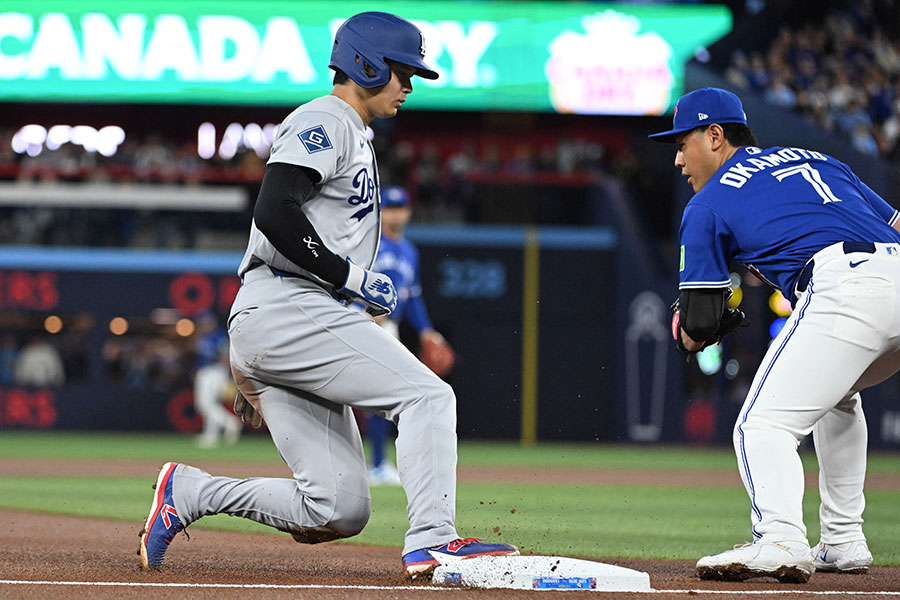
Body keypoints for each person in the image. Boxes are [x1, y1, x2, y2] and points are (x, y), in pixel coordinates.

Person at [139, 12, 518, 579]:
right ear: (365, 64)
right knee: (428, 397)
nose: (409, 87)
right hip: (289, 304)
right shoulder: (327, 118)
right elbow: (273, 210)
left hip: (289, 318)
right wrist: (348, 277)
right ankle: (435, 542)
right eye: (401, 72)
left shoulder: (353, 133)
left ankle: (189, 491)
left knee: (339, 508)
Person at [650, 87, 900, 583]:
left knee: (759, 426)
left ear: (715, 136)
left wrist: (693, 335)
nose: (678, 159)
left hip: (844, 282)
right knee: (839, 395)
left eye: (683, 144)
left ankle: (782, 537)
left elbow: (698, 322)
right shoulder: (817, 158)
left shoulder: (709, 201)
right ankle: (843, 539)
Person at [364, 185, 456, 485]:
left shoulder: (409, 252)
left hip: (388, 327)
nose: (394, 213)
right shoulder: (367, 243)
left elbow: (413, 297)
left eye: (399, 207)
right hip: (357, 321)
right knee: (373, 394)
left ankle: (378, 463)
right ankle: (375, 464)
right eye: (388, 208)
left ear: (408, 212)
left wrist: (427, 330)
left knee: (383, 395)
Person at [192, 313, 242, 448]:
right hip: (205, 371)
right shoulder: (203, 337)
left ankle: (231, 423)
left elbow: (226, 356)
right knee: (209, 404)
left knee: (205, 405)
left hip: (215, 371)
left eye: (206, 323)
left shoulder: (218, 336)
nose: (203, 325)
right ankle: (211, 436)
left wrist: (227, 375)